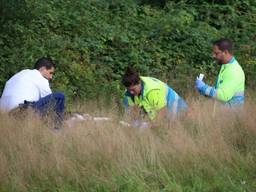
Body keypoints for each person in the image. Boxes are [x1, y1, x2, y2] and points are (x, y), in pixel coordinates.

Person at [0, 57, 65, 129]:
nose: (51, 77)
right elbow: (50, 103)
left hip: (4, 116)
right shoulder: (40, 77)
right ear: (42, 69)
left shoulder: (20, 74)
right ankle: (57, 129)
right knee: (60, 96)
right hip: (21, 111)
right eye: (50, 73)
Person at [122, 66, 188, 127]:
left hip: (177, 110)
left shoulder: (152, 91)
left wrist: (148, 126)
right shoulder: (129, 92)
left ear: (139, 82)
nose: (131, 92)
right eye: (128, 89)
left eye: (133, 89)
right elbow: (132, 112)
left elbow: (162, 115)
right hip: (161, 114)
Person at [195, 38, 245, 106]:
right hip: (223, 114)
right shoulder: (225, 67)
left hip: (231, 115)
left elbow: (223, 96)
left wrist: (203, 87)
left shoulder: (233, 70)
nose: (213, 56)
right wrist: (203, 91)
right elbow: (217, 95)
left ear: (225, 52)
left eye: (216, 53)